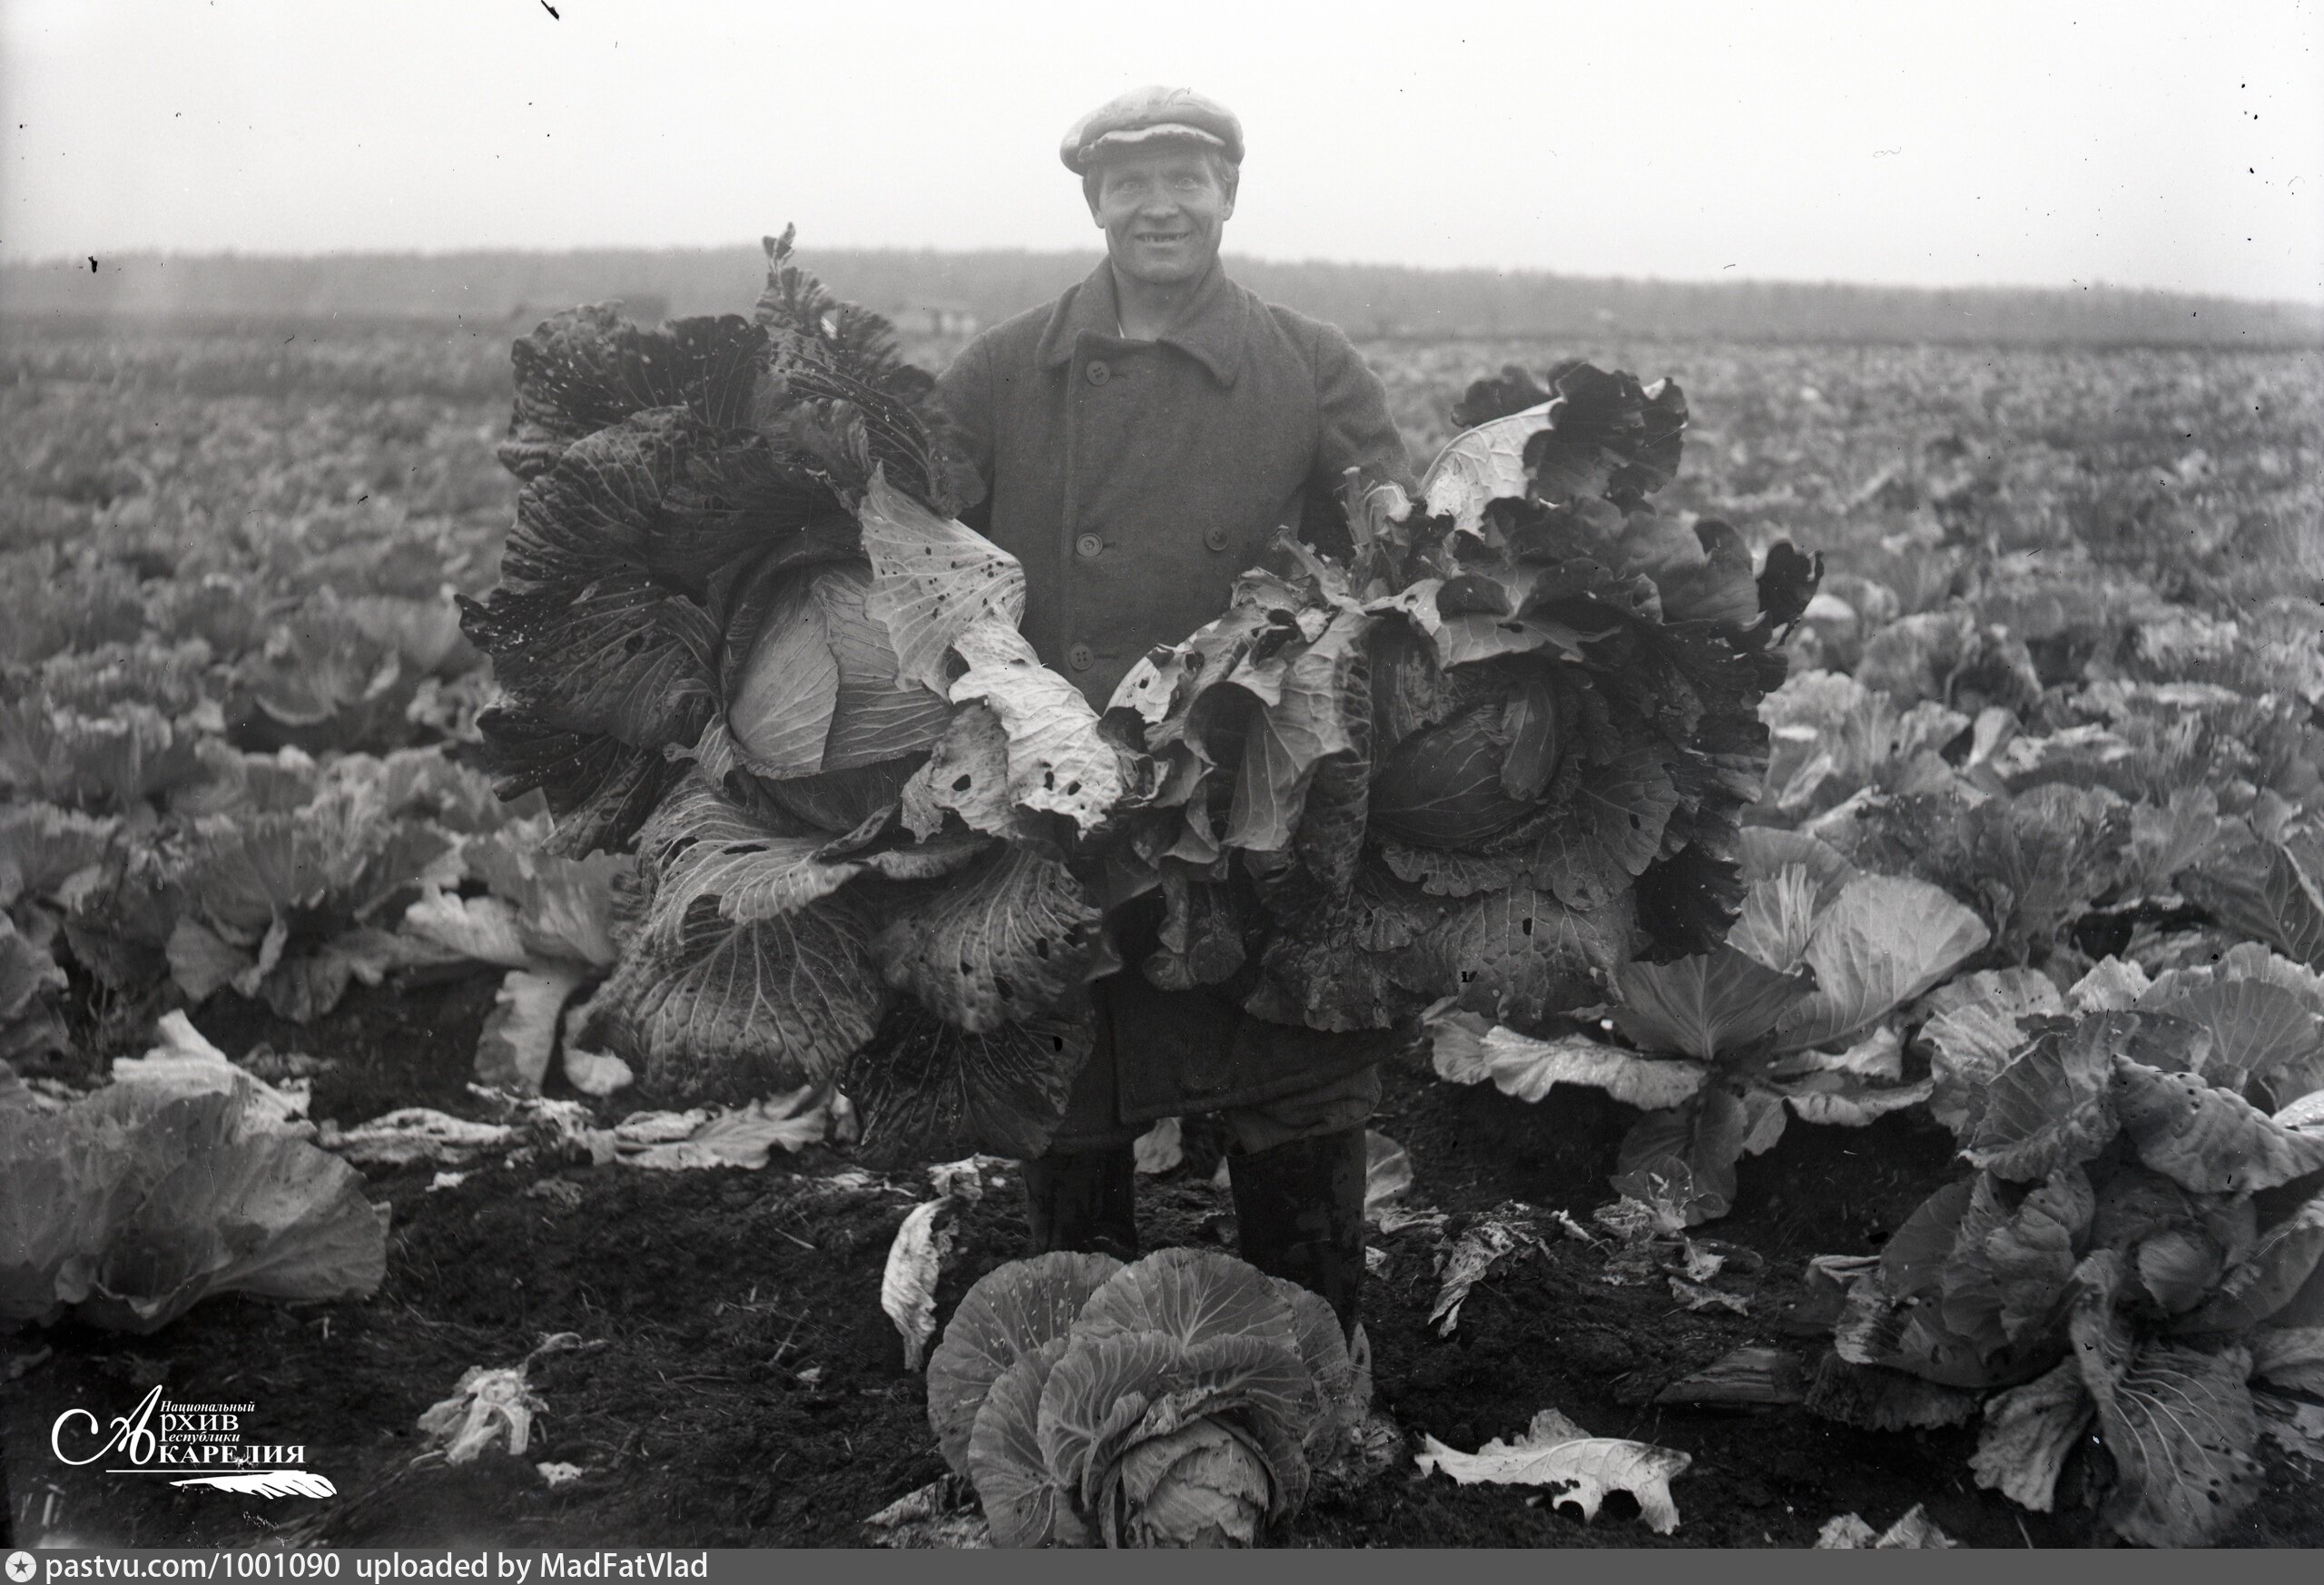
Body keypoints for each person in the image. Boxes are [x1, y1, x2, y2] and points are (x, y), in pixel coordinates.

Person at [931, 87, 1414, 1339]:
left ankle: (1313, 1365)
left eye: (1187, 179)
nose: (1161, 205)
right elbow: (915, 560)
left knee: (1294, 1083)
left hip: (1252, 801)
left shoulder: (1308, 366)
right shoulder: (999, 373)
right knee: (1070, 1094)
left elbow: (1395, 549)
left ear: (1229, 195)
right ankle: (1081, 1382)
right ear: (1093, 202)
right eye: (1131, 183)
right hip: (1062, 799)